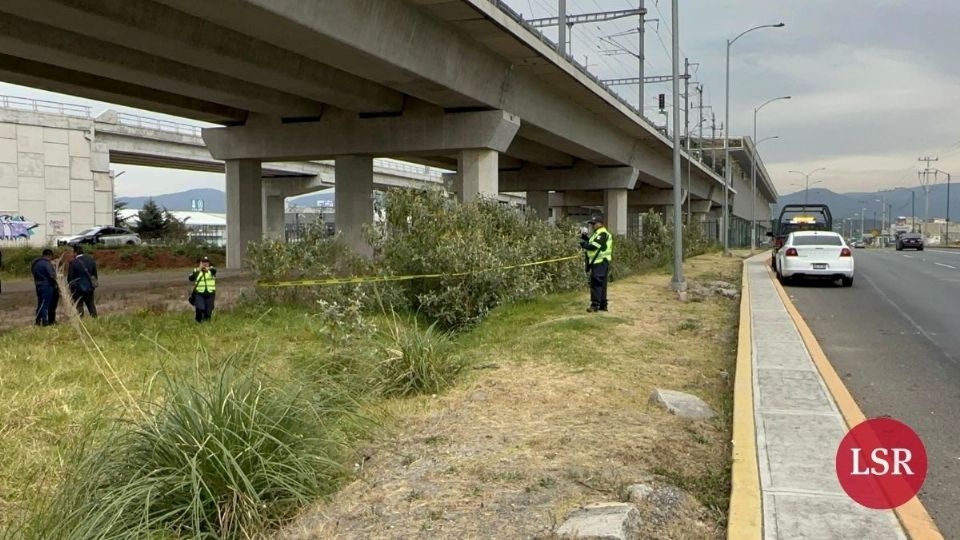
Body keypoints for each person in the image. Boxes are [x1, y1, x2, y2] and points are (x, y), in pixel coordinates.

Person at [580, 216, 613, 312]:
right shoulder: (597, 233)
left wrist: (583, 245)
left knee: (596, 284)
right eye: (591, 224)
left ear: (600, 223)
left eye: (594, 224)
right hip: (600, 262)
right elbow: (592, 241)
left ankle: (595, 305)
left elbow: (594, 246)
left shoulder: (602, 233)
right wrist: (584, 238)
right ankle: (603, 305)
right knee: (602, 284)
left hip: (600, 262)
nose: (592, 226)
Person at [67, 244, 98, 318]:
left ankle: (81, 321)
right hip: (89, 287)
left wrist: (71, 289)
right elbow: (94, 274)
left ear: (75, 253)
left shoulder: (73, 263)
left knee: (79, 305)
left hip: (77, 288)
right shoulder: (91, 260)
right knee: (91, 305)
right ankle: (95, 319)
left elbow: (70, 278)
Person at [31, 248, 59, 326]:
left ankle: (38, 320)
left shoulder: (35, 263)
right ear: (49, 255)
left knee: (41, 303)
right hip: (47, 286)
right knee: (46, 304)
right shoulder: (46, 264)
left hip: (38, 285)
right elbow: (52, 275)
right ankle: (45, 321)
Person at [188, 256, 217, 323]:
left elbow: (214, 271)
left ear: (209, 263)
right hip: (199, 293)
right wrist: (199, 270)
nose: (205, 263)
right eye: (203, 262)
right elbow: (191, 278)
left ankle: (206, 323)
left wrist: (208, 269)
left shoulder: (211, 270)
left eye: (207, 262)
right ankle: (198, 321)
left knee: (208, 311)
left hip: (210, 293)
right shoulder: (196, 270)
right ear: (200, 263)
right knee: (200, 308)